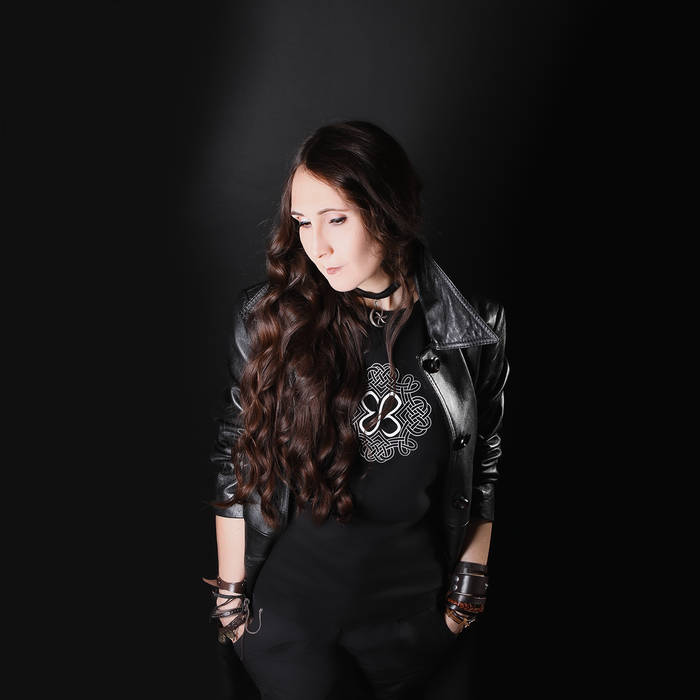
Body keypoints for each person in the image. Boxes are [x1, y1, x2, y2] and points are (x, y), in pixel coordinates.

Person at [203, 120, 510, 699]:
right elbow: (235, 455)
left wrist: (465, 599)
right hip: (293, 630)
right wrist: (231, 600)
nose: (316, 246)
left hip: (418, 629)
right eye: (302, 222)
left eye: (336, 219)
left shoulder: (473, 331)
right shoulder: (271, 321)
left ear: (389, 210)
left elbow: (485, 464)